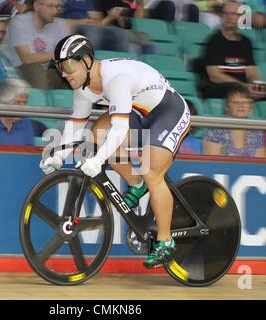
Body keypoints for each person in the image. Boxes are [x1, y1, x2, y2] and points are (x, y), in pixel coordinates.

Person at [39, 35, 191, 269]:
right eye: (60, 68)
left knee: (152, 173)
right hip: (140, 114)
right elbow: (77, 126)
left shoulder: (116, 79)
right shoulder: (84, 88)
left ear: (87, 60)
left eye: (68, 66)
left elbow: (119, 128)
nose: (64, 74)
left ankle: (165, 241)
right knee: (97, 134)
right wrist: (58, 155)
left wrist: (98, 160)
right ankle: (135, 184)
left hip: (169, 112)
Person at [201, 0, 266, 100]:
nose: (229, 17)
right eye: (226, 13)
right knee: (236, 88)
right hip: (220, 88)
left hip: (244, 88)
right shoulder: (213, 41)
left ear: (240, 17)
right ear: (221, 16)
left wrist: (256, 86)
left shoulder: (246, 42)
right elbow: (214, 76)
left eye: (234, 14)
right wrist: (244, 86)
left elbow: (252, 73)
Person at [4, 0, 70, 90]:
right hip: (16, 72)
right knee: (35, 68)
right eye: (50, 6)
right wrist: (57, 53)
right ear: (37, 6)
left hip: (43, 72)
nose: (55, 11)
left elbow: (67, 53)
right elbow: (27, 58)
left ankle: (70, 103)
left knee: (69, 75)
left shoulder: (58, 24)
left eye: (57, 6)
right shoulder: (19, 22)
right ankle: (40, 103)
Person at [203, 84, 266, 157]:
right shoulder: (215, 131)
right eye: (236, 102)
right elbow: (213, 164)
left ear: (251, 106)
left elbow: (260, 164)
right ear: (227, 107)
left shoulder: (257, 132)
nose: (242, 106)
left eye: (246, 102)